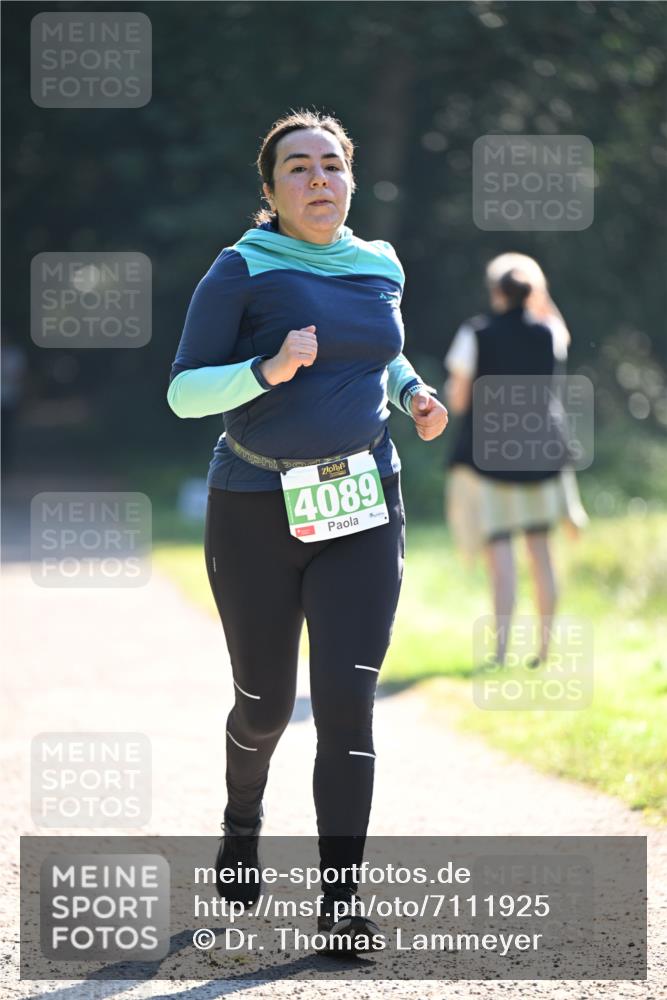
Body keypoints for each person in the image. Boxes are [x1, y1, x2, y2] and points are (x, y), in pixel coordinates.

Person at [167, 110, 448, 951]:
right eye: (298, 168)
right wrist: (267, 369)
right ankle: (241, 818)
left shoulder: (379, 263)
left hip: (363, 500)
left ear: (350, 179)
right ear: (271, 190)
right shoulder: (241, 268)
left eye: (331, 165)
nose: (317, 179)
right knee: (262, 705)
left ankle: (339, 903)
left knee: (346, 705)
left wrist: (412, 394)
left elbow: (379, 354)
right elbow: (183, 393)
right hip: (254, 503)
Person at [443, 253, 588, 667]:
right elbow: (559, 329)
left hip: (487, 460)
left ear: (495, 293)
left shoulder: (475, 333)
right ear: (533, 292)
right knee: (541, 552)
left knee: (501, 553)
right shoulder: (549, 333)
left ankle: (501, 653)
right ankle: (544, 651)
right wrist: (539, 290)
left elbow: (458, 398)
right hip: (543, 456)